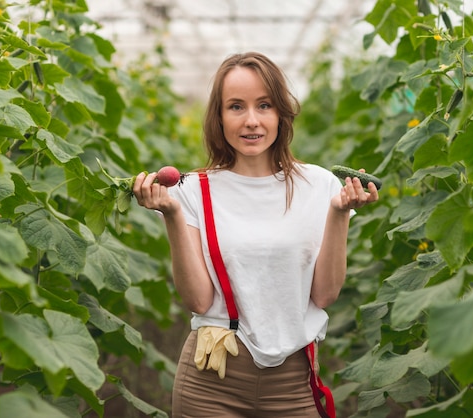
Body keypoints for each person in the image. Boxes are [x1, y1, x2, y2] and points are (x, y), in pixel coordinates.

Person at [132, 51, 379, 417]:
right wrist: (171, 214)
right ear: (219, 116)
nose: (251, 121)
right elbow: (198, 301)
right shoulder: (192, 190)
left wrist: (339, 212)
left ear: (281, 112)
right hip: (211, 379)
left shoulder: (320, 185)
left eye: (264, 105)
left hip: (293, 382)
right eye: (236, 107)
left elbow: (325, 294)